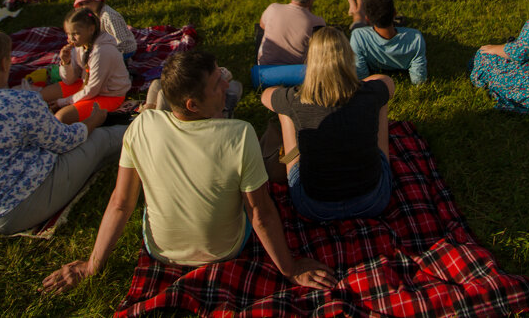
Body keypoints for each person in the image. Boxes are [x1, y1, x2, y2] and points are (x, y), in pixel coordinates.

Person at [41, 48, 335, 293]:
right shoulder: (240, 135)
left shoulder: (142, 126)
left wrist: (92, 264)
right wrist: (290, 268)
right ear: (192, 104)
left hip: (160, 250)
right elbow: (259, 214)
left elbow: (121, 202)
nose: (225, 85)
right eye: (218, 82)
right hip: (226, 248)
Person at [0, 31, 126, 235]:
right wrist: (92, 122)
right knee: (100, 139)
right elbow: (66, 141)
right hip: (12, 210)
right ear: (4, 64)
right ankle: (145, 134)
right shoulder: (20, 102)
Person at [262, 27, 395, 221]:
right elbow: (387, 82)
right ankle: (382, 160)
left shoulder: (296, 99)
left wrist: (285, 93)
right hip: (373, 200)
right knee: (380, 101)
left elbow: (266, 96)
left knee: (285, 111)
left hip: (313, 206)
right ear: (348, 58)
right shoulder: (370, 93)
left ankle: (289, 160)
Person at [39, 7, 131, 125]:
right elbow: (69, 80)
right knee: (40, 97)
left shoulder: (102, 51)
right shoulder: (80, 45)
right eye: (68, 34)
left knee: (60, 118)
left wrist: (62, 102)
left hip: (109, 95)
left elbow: (92, 90)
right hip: (86, 85)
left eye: (76, 34)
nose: (71, 39)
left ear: (91, 29)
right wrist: (65, 63)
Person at [350, 0, 427, 85]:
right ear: (395, 13)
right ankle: (356, 9)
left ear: (368, 19)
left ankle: (357, 10)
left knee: (357, 23)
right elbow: (419, 80)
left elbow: (361, 75)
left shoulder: (358, 37)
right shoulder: (415, 38)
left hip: (363, 31)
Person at [258, 0, 325, 67]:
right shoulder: (317, 22)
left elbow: (262, 25)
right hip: (297, 72)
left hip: (265, 68)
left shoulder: (272, 8)